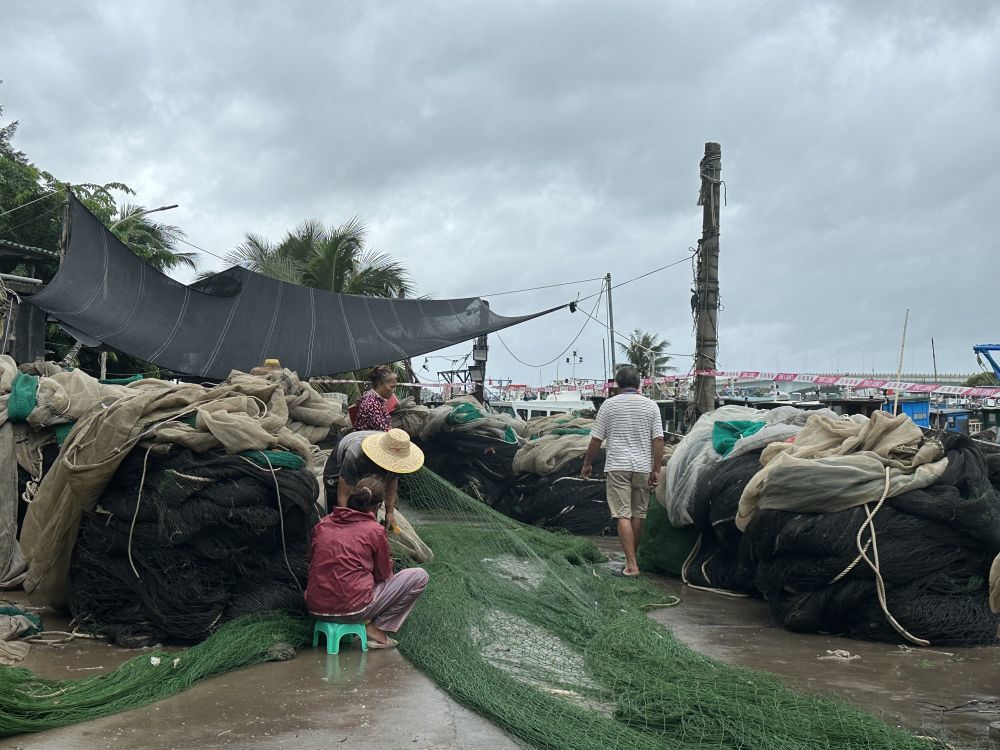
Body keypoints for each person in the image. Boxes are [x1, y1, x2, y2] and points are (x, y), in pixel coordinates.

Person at [305, 478, 429, 648]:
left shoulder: (323, 524)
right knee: (419, 576)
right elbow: (384, 574)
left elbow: (311, 560)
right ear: (377, 507)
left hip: (315, 608)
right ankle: (378, 628)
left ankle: (363, 622)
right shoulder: (375, 531)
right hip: (353, 609)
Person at [581, 366, 664, 577]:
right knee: (637, 514)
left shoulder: (609, 405)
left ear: (617, 384)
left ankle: (631, 564)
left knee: (622, 515)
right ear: (639, 383)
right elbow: (659, 440)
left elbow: (596, 439)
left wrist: (587, 464)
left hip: (617, 466)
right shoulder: (651, 406)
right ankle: (632, 559)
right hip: (643, 466)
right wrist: (657, 469)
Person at [323, 428, 424, 532]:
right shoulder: (355, 454)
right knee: (337, 516)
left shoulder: (396, 453)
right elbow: (343, 495)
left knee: (370, 499)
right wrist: (345, 521)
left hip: (367, 470)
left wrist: (389, 513)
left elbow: (392, 482)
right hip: (336, 473)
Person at [353, 365, 398, 432]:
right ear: (380, 384)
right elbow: (384, 432)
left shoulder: (377, 401)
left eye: (395, 387)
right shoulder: (371, 404)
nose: (393, 390)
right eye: (391, 387)